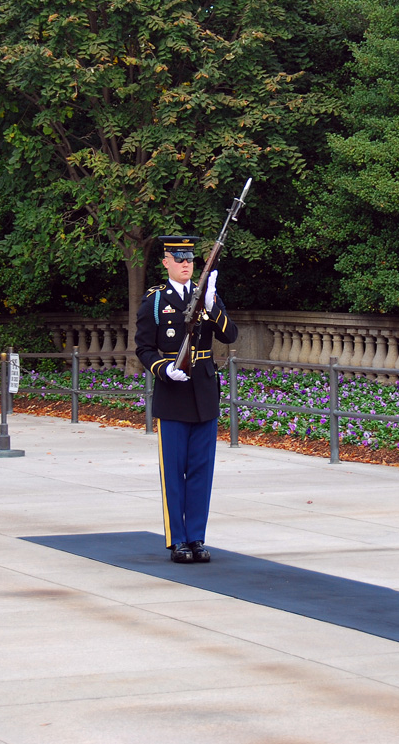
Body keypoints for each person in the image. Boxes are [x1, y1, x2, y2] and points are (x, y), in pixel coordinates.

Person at [135, 235, 238, 564]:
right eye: (178, 259)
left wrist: (210, 305)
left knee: (200, 471)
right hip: (173, 395)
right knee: (174, 471)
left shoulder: (205, 296)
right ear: (165, 262)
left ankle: (196, 537)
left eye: (189, 259)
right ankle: (177, 540)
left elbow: (230, 335)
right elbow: (144, 348)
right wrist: (164, 369)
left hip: (204, 393)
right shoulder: (155, 301)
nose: (184, 264)